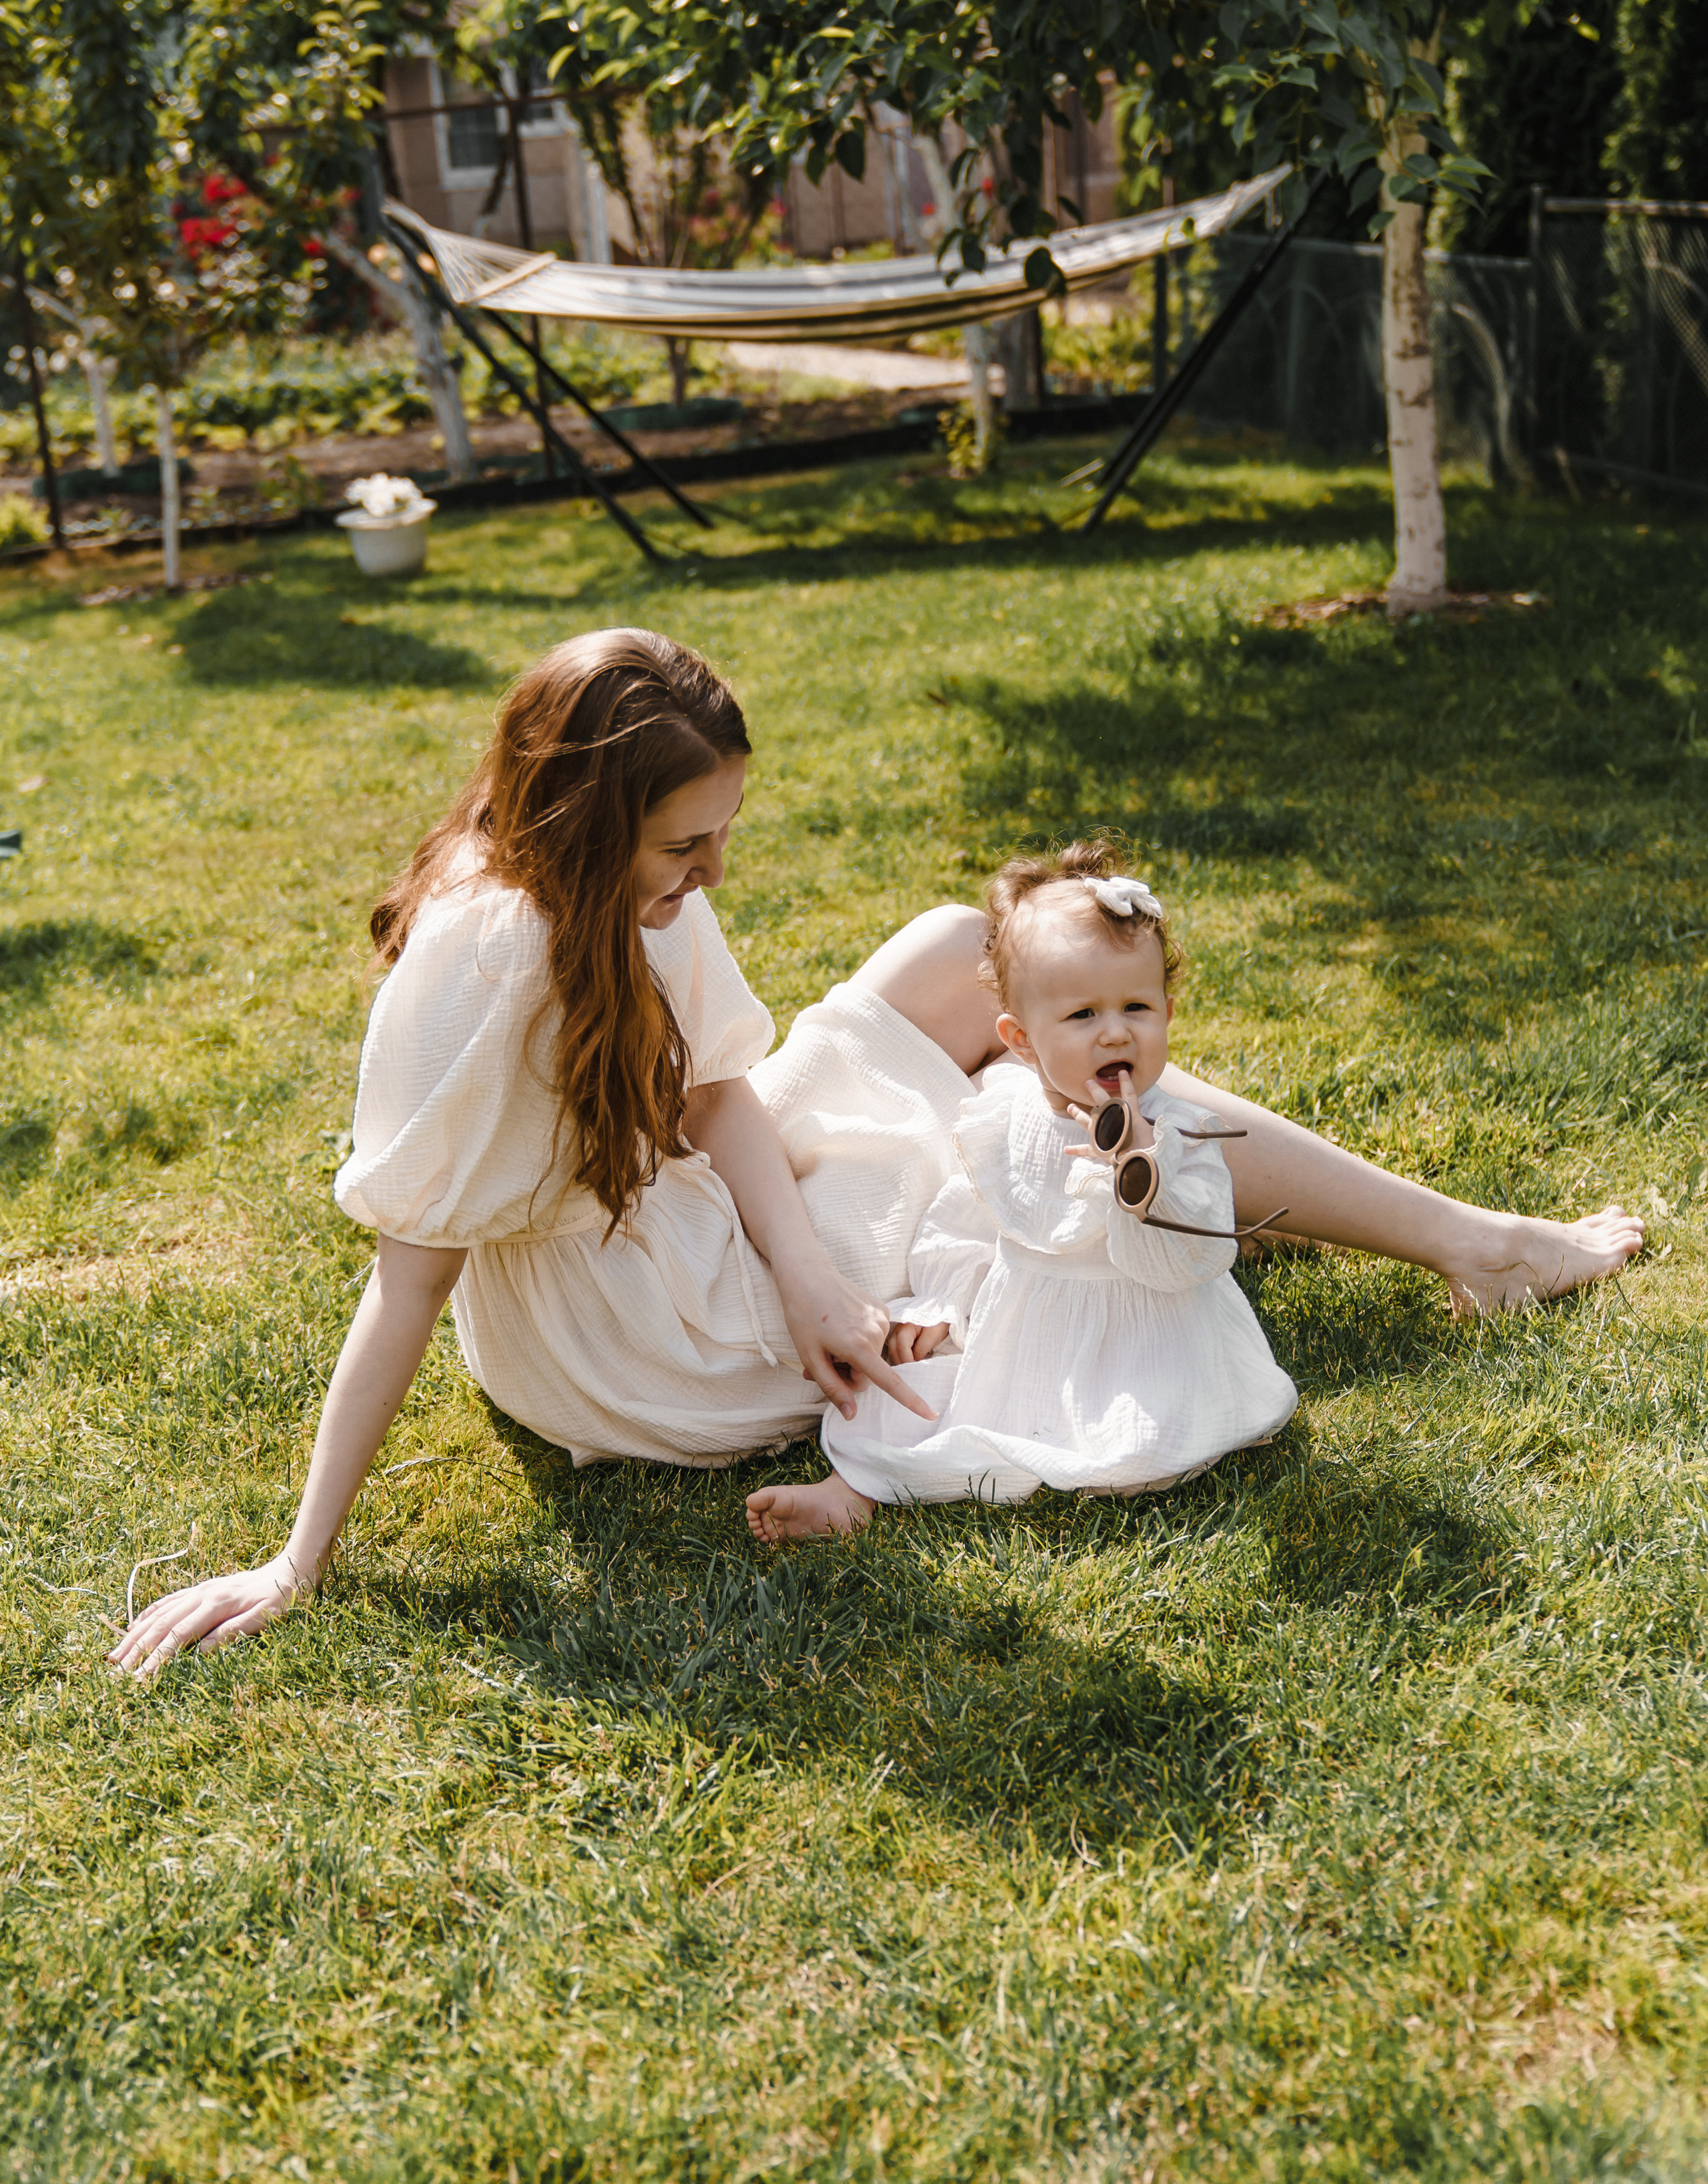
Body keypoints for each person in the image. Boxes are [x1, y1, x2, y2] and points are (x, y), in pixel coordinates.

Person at [109, 628, 1642, 1674]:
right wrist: (297, 1560)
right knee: (1056, 1092)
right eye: (683, 846)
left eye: (715, 833)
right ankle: (1477, 1246)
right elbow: (404, 1281)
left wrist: (814, 1272)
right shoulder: (486, 958)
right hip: (643, 1336)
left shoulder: (617, 882)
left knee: (949, 964)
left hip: (704, 1215)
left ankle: (1345, 1227)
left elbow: (717, 1096)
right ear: (580, 820)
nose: (711, 871)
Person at [746, 843, 1300, 1542]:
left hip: (1143, 1339)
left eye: (1137, 1006)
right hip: (1023, 1334)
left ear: (1166, 1010)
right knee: (906, 1399)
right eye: (1080, 1016)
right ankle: (851, 1492)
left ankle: (1088, 1434)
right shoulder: (1003, 1114)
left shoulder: (1181, 1129)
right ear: (1020, 1038)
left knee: (1140, 1435)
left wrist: (1140, 1178)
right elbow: (966, 1221)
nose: (1114, 1031)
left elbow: (1190, 1261)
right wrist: (944, 1300)